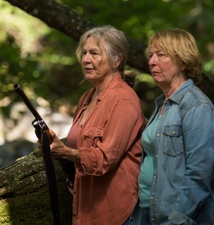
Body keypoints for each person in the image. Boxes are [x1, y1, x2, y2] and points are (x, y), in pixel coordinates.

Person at [41, 25, 145, 225]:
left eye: (94, 53)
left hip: (116, 213)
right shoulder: (87, 97)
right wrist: (53, 145)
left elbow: (105, 159)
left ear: (117, 59)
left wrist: (65, 152)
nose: (86, 60)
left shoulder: (123, 100)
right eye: (84, 53)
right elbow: (81, 149)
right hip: (86, 209)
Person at [129, 29, 214, 225]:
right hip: (146, 210)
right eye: (151, 55)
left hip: (175, 218)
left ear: (183, 61)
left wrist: (178, 219)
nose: (152, 62)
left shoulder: (196, 106)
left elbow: (199, 173)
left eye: (161, 55)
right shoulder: (162, 103)